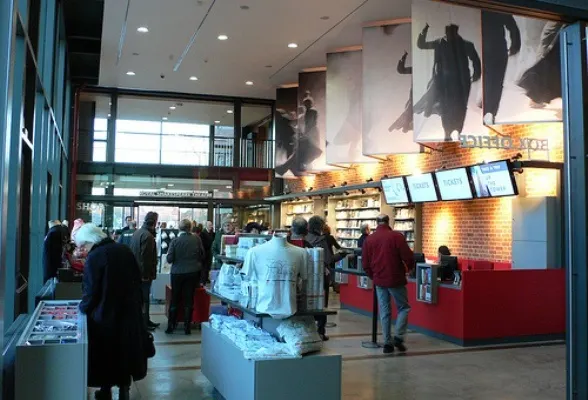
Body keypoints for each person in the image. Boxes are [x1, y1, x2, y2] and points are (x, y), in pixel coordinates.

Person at [76, 223, 148, 400]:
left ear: (90, 240)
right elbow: (137, 280)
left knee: (105, 355)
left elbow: (91, 290)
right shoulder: (124, 250)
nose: (84, 250)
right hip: (129, 312)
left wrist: (82, 308)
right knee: (126, 352)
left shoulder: (95, 256)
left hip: (105, 315)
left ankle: (106, 389)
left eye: (83, 245)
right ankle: (124, 390)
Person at [414, 23, 481, 141]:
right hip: (444, 82)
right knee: (445, 107)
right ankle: (447, 132)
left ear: (456, 32)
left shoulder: (466, 45)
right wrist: (424, 31)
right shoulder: (440, 43)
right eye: (448, 33)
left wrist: (476, 74)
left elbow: (475, 60)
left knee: (460, 107)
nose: (449, 35)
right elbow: (421, 44)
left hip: (461, 82)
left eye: (451, 33)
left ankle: (458, 131)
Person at [362, 214, 414, 355]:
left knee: (384, 311)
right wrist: (409, 268)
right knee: (403, 307)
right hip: (396, 279)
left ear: (376, 223)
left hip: (379, 280)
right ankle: (398, 336)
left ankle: (387, 343)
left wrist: (373, 276)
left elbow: (365, 263)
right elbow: (408, 257)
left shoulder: (369, 239)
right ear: (388, 222)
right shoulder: (397, 237)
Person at [306, 216, 345, 341]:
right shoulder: (321, 240)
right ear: (320, 226)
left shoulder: (304, 238)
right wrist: (341, 255)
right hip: (321, 276)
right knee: (321, 303)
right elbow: (328, 259)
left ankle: (308, 330)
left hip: (306, 275)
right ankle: (321, 332)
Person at [165, 219, 205, 335]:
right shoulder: (196, 239)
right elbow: (202, 255)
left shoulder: (175, 241)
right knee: (189, 299)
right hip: (193, 272)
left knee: (175, 299)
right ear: (190, 228)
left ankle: (171, 326)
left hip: (177, 273)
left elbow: (169, 259)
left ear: (179, 228)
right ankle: (187, 327)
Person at [482, 11, 521, 124]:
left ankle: (488, 109)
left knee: (489, 80)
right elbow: (512, 26)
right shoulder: (496, 8)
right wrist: (515, 46)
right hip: (498, 49)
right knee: (496, 82)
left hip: (486, 48)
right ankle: (490, 111)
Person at [130, 212, 160, 331]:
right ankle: (144, 323)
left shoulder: (137, 233)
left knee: (141, 298)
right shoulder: (148, 236)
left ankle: (145, 320)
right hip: (143, 274)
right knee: (144, 299)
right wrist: (145, 275)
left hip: (135, 271)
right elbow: (146, 258)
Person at [389, 50, 414, 133]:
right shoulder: (415, 69)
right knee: (410, 108)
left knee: (410, 109)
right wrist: (404, 57)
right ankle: (403, 124)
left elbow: (401, 70)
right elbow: (401, 70)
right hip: (414, 94)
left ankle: (403, 124)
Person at [200, 221, 215, 285]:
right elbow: (202, 244)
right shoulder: (203, 233)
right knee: (204, 267)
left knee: (208, 266)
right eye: (209, 225)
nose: (211, 226)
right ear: (206, 225)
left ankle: (206, 278)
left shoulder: (213, 233)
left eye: (211, 225)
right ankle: (203, 280)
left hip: (210, 252)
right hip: (205, 252)